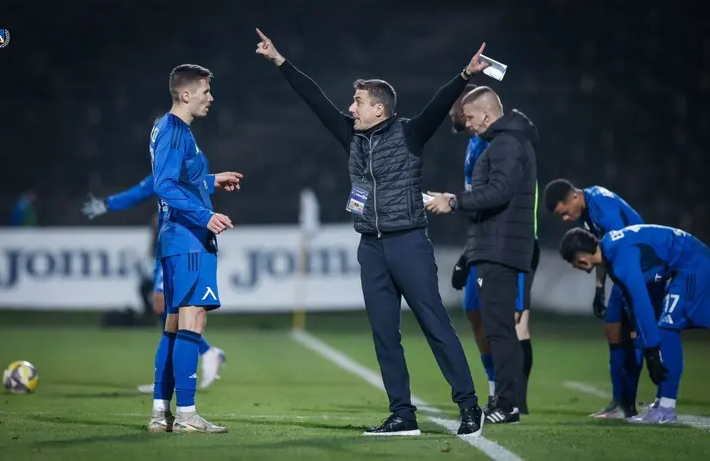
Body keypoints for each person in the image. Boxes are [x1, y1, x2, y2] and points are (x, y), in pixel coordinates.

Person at [255, 27, 489, 436]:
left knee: (435, 326)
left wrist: (465, 75)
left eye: (358, 101)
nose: (351, 107)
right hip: (371, 248)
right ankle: (402, 414)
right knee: (384, 335)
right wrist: (279, 61)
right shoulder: (351, 136)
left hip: (408, 242)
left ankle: (469, 406)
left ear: (379, 109)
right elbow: (315, 100)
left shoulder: (409, 133)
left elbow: (438, 105)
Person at [426, 86, 538, 424]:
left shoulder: (506, 144)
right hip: (494, 246)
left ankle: (508, 404)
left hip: (501, 249)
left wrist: (454, 201)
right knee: (496, 327)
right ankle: (506, 401)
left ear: (487, 115)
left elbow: (499, 192)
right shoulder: (505, 142)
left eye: (471, 117)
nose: (468, 124)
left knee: (500, 329)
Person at [81, 173, 237, 392]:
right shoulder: (168, 165)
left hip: (183, 244)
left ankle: (177, 377)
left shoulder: (182, 163)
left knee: (170, 310)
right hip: (169, 242)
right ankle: (185, 369)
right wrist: (108, 204)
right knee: (168, 311)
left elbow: (193, 190)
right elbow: (144, 190)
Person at [148, 64, 237, 434]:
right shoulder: (174, 130)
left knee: (174, 324)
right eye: (205, 91)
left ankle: (160, 413)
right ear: (186, 95)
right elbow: (164, 184)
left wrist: (212, 181)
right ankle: (186, 414)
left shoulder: (169, 128)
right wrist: (205, 215)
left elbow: (183, 179)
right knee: (192, 319)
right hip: (188, 239)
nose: (210, 98)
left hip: (178, 238)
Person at [558, 225, 710, 424]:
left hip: (696, 264)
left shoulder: (620, 258)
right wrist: (646, 343)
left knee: (667, 327)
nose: (574, 267)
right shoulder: (611, 250)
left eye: (572, 262)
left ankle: (666, 409)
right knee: (663, 327)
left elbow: (640, 301)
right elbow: (632, 304)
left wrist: (651, 350)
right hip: (689, 264)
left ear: (582, 259)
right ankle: (661, 403)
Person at [544, 179, 659, 418]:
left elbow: (620, 247)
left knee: (634, 334)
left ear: (574, 197)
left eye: (565, 212)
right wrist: (599, 288)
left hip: (641, 271)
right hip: (624, 270)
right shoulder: (587, 210)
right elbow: (601, 251)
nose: (566, 219)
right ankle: (619, 402)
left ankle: (631, 402)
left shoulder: (602, 207)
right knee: (613, 330)